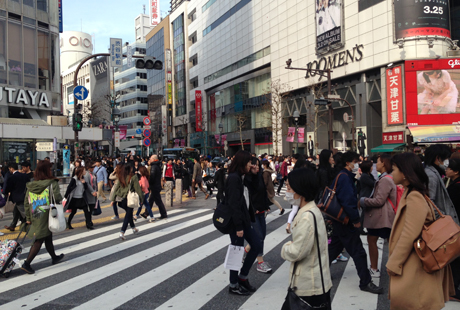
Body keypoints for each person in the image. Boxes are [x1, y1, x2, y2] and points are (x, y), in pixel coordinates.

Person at [388, 152, 454, 309]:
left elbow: (409, 234)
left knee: (415, 302)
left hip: (415, 263)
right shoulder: (412, 193)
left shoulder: (414, 196)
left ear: (404, 173)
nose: (392, 173)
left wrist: (394, 262)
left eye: (394, 169)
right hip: (416, 260)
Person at [328, 151, 383, 294]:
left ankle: (317, 273)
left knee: (333, 249)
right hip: (345, 220)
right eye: (355, 161)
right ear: (348, 162)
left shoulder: (341, 175)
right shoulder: (345, 178)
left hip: (338, 219)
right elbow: (348, 202)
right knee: (358, 252)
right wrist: (356, 220)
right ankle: (365, 282)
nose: (357, 164)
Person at [281, 167, 332, 307]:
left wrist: (285, 248)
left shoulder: (306, 217)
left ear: (300, 190)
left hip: (309, 287)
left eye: (289, 188)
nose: (287, 192)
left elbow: (297, 251)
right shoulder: (312, 210)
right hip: (315, 281)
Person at [226, 150, 262, 295]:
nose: (250, 165)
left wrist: (255, 173)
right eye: (249, 162)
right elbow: (233, 203)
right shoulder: (234, 178)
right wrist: (238, 226)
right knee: (237, 251)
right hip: (237, 222)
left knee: (256, 245)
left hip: (245, 219)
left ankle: (242, 277)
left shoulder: (242, 177)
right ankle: (233, 284)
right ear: (242, 162)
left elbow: (255, 189)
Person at [21, 160, 65, 274]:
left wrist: (28, 218)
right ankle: (27, 263)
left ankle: (54, 257)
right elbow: (57, 197)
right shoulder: (52, 183)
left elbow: (26, 202)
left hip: (35, 213)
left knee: (47, 236)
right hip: (47, 213)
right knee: (39, 239)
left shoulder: (31, 185)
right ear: (47, 170)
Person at [359, 154, 396, 278]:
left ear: (384, 163)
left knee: (372, 239)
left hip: (381, 216)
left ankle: (375, 269)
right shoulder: (389, 177)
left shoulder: (385, 179)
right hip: (385, 216)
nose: (376, 165)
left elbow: (379, 200)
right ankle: (392, 267)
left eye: (378, 162)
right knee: (388, 241)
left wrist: (363, 200)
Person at [245, 158, 272, 273]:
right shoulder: (247, 179)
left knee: (262, 236)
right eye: (253, 165)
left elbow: (263, 192)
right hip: (253, 213)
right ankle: (260, 262)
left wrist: (266, 205)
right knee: (259, 237)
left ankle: (246, 251)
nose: (256, 167)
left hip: (261, 211)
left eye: (257, 165)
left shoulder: (260, 176)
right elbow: (247, 196)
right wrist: (253, 209)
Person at [424, 144, 459, 224]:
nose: (447, 161)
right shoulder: (431, 175)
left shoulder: (434, 173)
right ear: (437, 158)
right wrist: (443, 218)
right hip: (442, 223)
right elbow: (429, 203)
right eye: (446, 158)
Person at [112, 164, 144, 240]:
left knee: (129, 214)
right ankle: (122, 232)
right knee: (128, 215)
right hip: (129, 199)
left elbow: (116, 188)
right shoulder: (133, 177)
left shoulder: (121, 176)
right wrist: (141, 199)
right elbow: (138, 188)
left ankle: (133, 228)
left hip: (121, 199)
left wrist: (113, 200)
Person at [445, 158, 460, 301]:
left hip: (455, 225)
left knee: (455, 257)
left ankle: (453, 288)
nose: (446, 169)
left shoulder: (456, 186)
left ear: (456, 171)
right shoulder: (453, 183)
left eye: (449, 168)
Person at [4, 162, 31, 232]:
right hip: (25, 196)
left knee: (24, 213)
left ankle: (33, 226)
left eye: (9, 168)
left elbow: (8, 187)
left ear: (11, 169)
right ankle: (13, 226)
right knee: (15, 211)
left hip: (18, 197)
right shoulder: (24, 176)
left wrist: (6, 193)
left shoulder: (12, 177)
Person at [148, 155, 167, 219]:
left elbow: (152, 177)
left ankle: (163, 214)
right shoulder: (158, 166)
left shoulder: (154, 166)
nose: (149, 159)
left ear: (153, 159)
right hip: (156, 185)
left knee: (158, 201)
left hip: (154, 186)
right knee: (152, 200)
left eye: (150, 158)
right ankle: (146, 213)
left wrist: (149, 182)